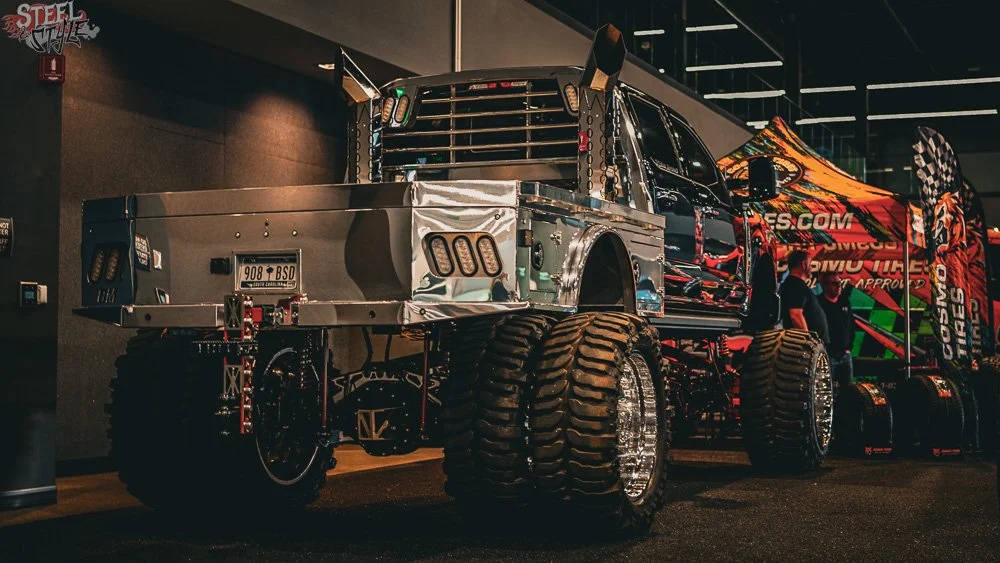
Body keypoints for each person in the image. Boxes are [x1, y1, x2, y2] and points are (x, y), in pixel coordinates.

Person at [779, 249, 829, 347]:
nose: (811, 268)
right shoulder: (795, 285)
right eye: (810, 264)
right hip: (807, 347)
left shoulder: (797, 285)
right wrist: (807, 341)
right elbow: (795, 314)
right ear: (803, 264)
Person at [818, 272, 855, 390]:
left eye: (839, 283)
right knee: (825, 390)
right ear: (825, 286)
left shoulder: (844, 301)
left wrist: (849, 348)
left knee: (849, 391)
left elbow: (851, 325)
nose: (839, 286)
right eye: (835, 283)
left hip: (845, 355)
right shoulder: (818, 303)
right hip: (828, 355)